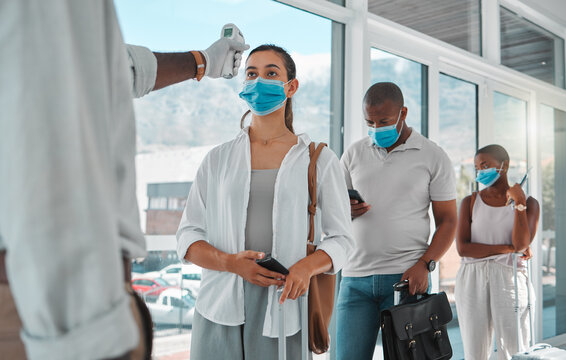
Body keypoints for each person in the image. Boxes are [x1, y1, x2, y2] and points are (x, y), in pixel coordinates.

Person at [0, 2, 248, 359]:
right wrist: (89, 334)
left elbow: (110, 69)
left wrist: (203, 61)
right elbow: (49, 116)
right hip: (53, 313)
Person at [176, 44, 353, 359]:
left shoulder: (319, 159)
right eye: (251, 74)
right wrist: (232, 264)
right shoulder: (217, 159)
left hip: (283, 306)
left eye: (271, 73)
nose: (259, 81)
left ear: (291, 86)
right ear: (243, 86)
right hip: (218, 304)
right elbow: (187, 237)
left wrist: (307, 268)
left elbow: (342, 239)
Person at [336, 82, 458, 359]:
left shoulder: (432, 155)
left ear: (403, 112)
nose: (377, 128)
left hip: (405, 280)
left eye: (384, 121)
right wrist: (346, 209)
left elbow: (449, 221)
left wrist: (425, 265)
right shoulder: (353, 154)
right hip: (355, 280)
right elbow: (334, 211)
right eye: (370, 122)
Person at [455, 144, 539, 360]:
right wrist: (508, 248)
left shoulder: (530, 204)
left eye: (485, 165)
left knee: (514, 348)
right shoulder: (470, 202)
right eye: (477, 167)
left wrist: (519, 202)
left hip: (509, 278)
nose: (480, 172)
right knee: (475, 351)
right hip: (472, 278)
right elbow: (464, 248)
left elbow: (520, 244)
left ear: (505, 166)